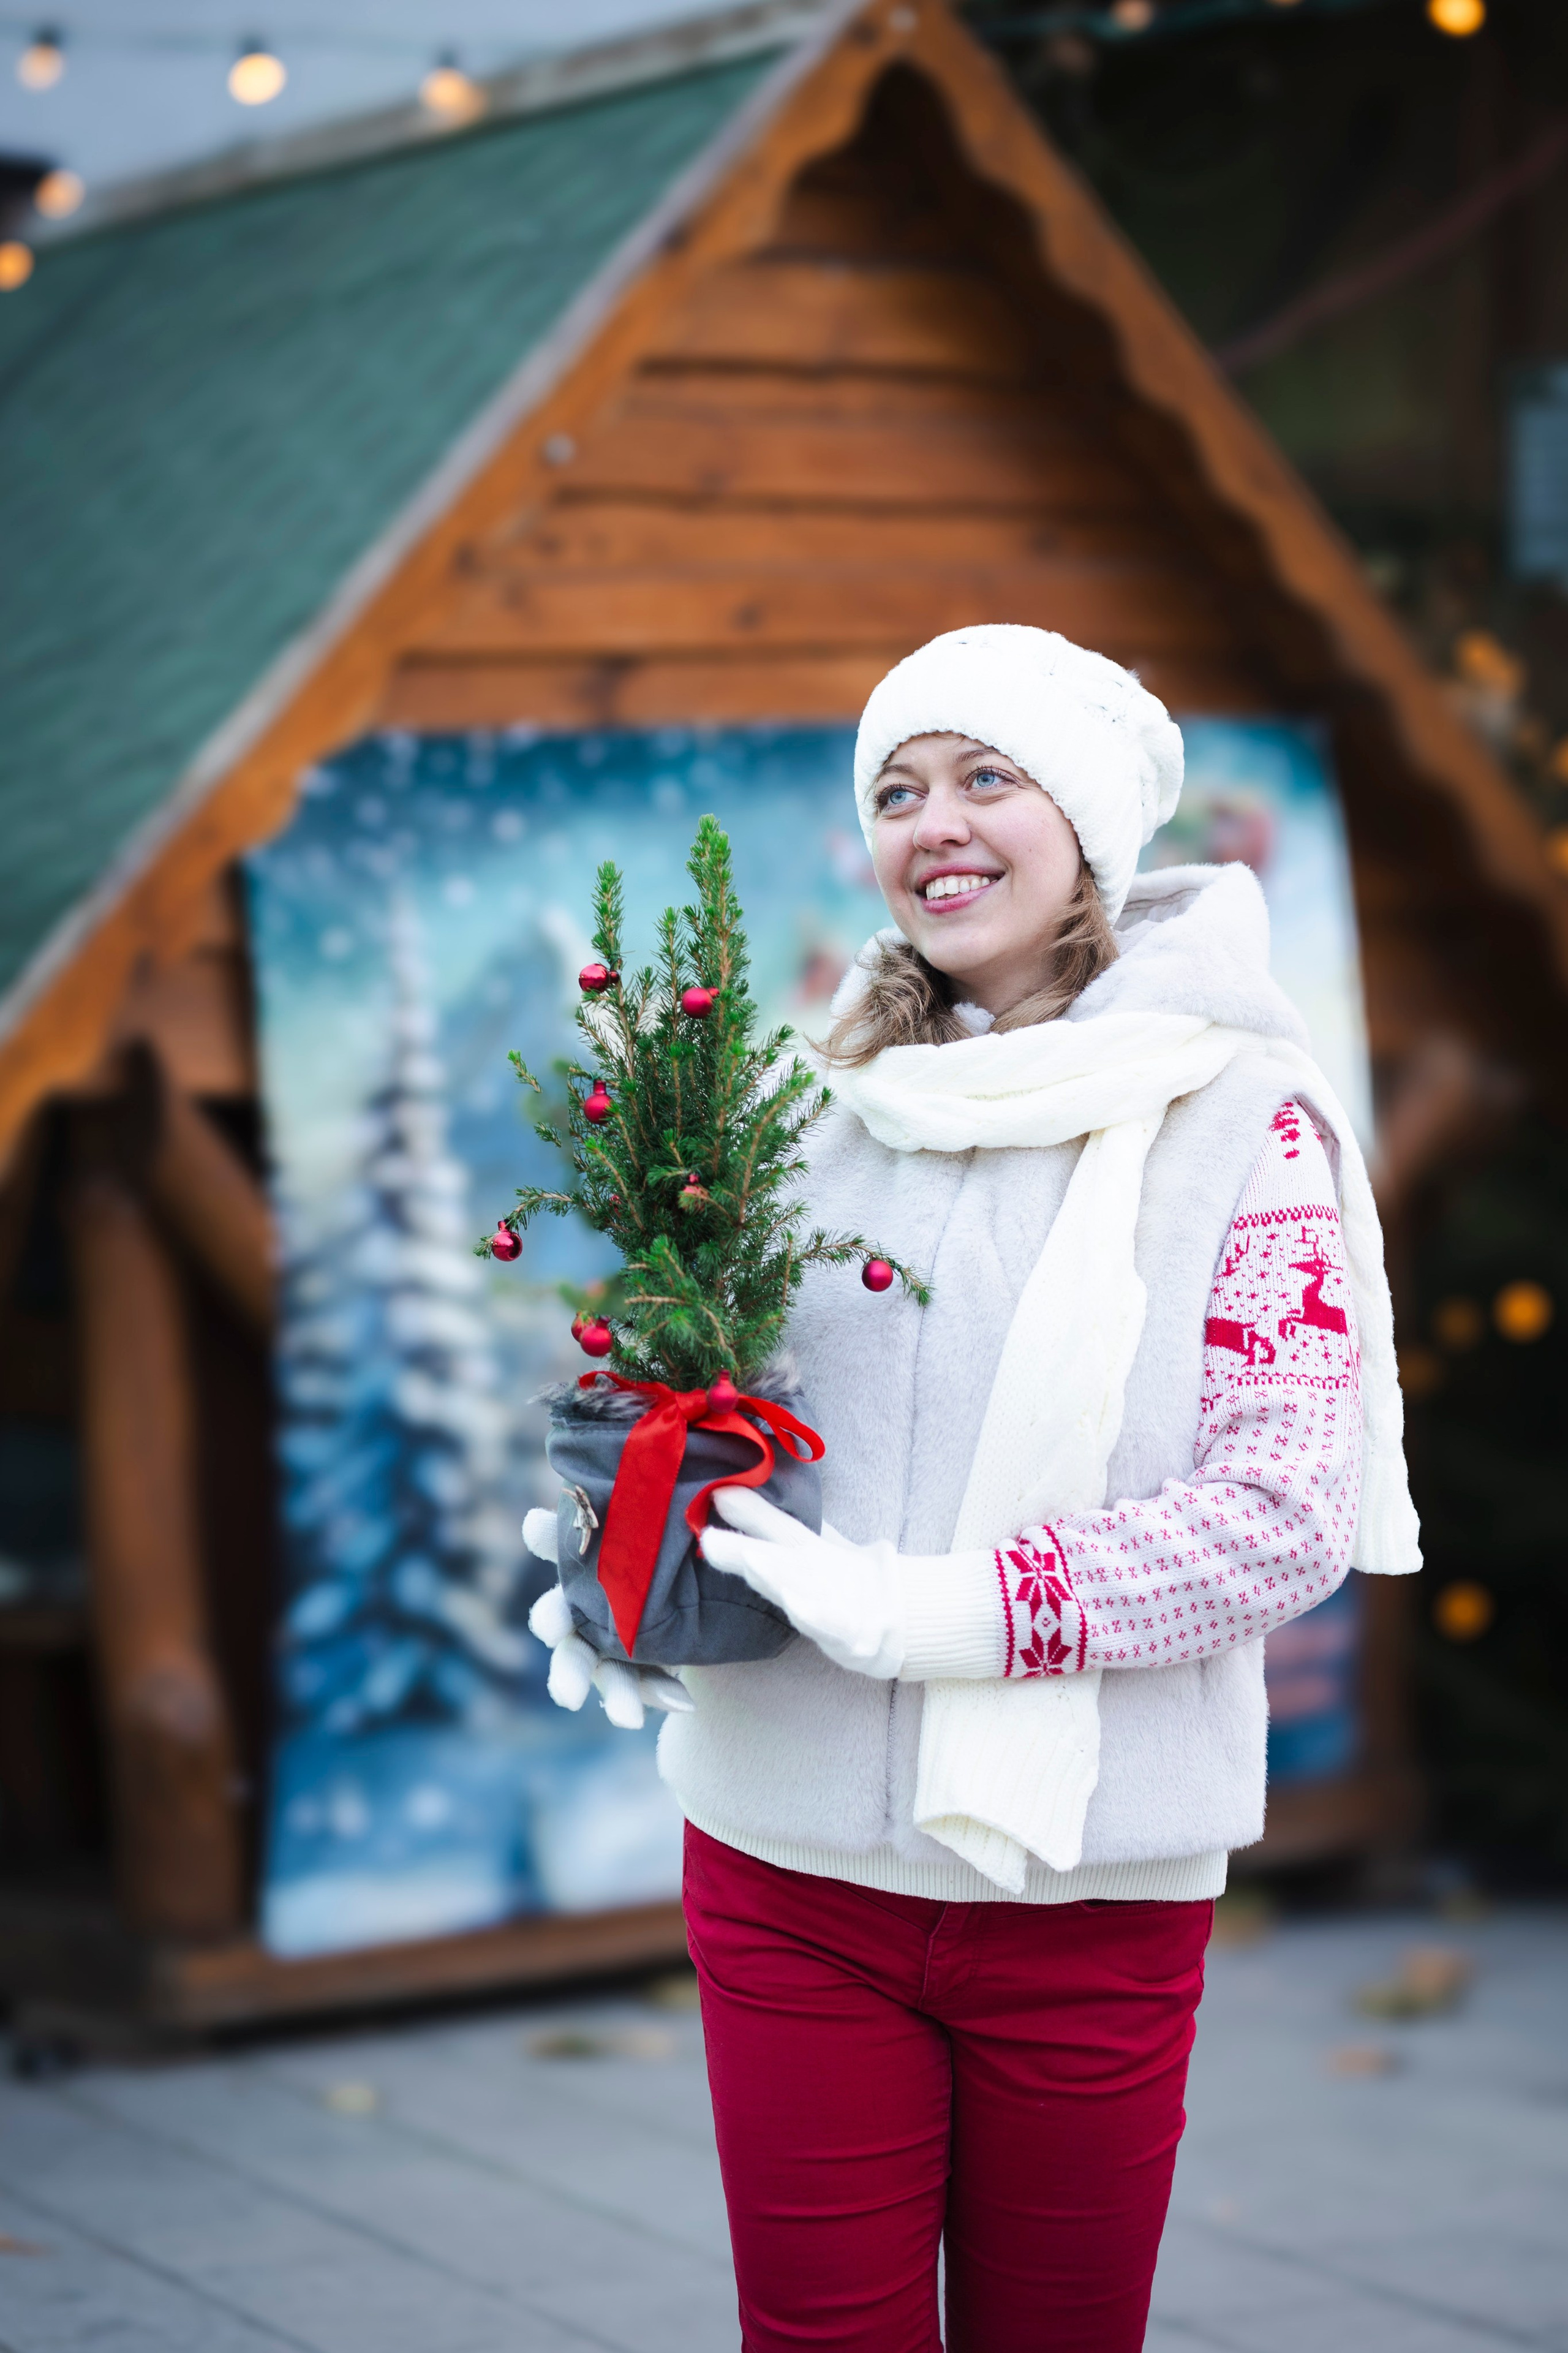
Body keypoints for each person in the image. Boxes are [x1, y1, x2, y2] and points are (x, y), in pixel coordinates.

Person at [526, 625, 1420, 2353]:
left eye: (985, 776)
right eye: (896, 790)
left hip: (1087, 1891)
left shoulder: (1241, 1123)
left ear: (1086, 821)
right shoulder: (803, 1107)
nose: (933, 823)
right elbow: (710, 1404)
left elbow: (1285, 1508)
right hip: (787, 1865)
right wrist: (621, 1558)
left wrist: (941, 1613)